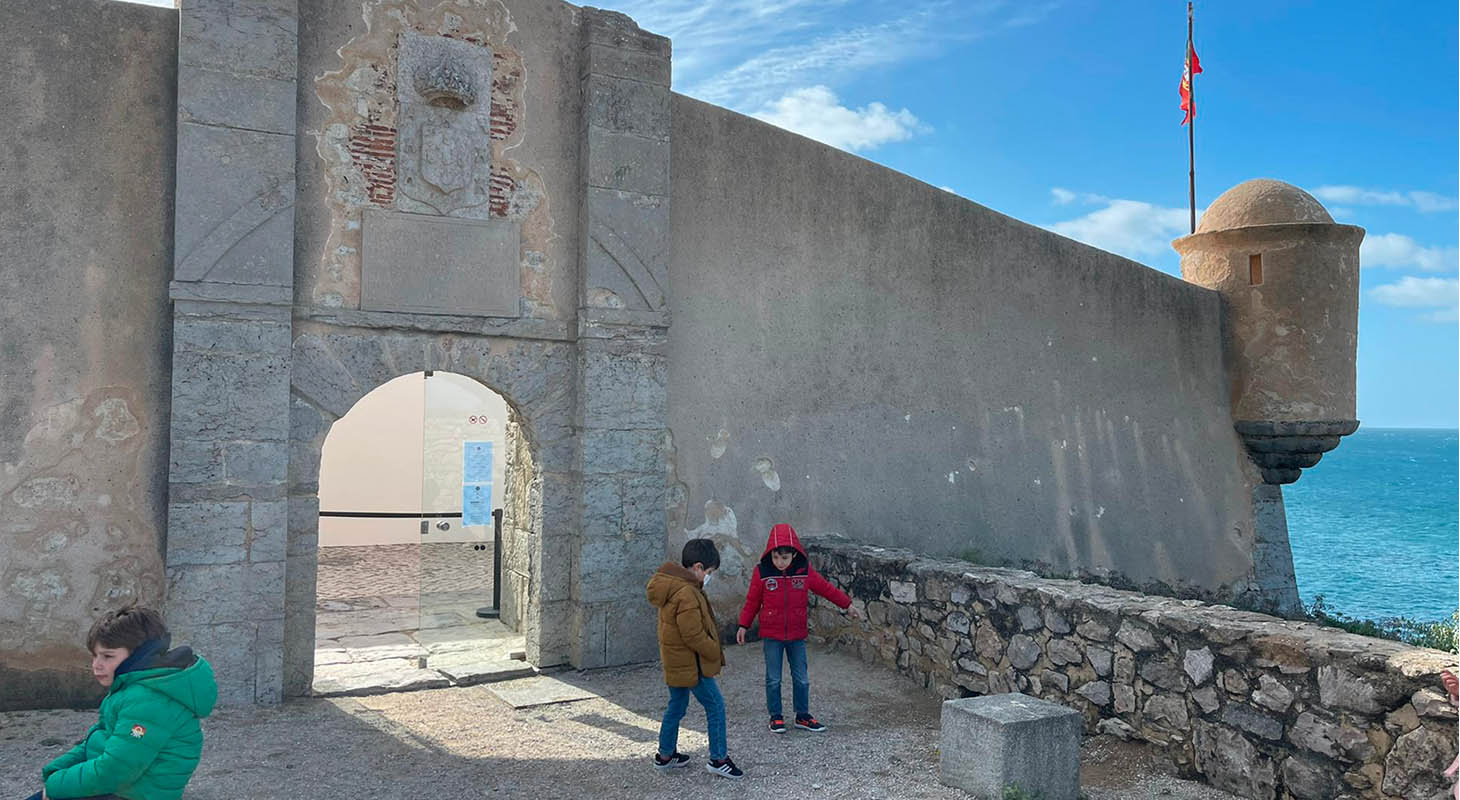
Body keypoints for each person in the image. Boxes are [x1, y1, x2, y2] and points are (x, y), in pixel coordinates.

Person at [30, 606, 217, 800]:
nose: (96, 665)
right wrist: (59, 769)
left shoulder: (149, 702)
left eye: (107, 656)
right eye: (95, 655)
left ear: (140, 655)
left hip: (136, 794)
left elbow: (116, 771)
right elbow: (101, 738)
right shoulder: (132, 689)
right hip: (123, 788)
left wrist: (55, 786)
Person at [736, 523, 860, 733]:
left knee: (801, 678)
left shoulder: (804, 571)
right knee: (773, 679)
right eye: (776, 557)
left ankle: (802, 716)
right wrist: (743, 625)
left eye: (784, 557)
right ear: (770, 554)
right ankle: (775, 716)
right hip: (772, 635)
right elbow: (752, 601)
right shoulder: (762, 572)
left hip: (796, 634)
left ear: (794, 555)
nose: (780, 562)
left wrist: (847, 604)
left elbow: (826, 589)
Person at [646, 538, 743, 780]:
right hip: (692, 663)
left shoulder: (672, 584)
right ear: (698, 568)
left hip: (675, 660)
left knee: (676, 706)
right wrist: (713, 650)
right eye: (709, 572)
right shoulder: (687, 592)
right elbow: (693, 634)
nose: (709, 577)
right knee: (716, 706)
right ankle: (719, 759)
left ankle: (665, 754)